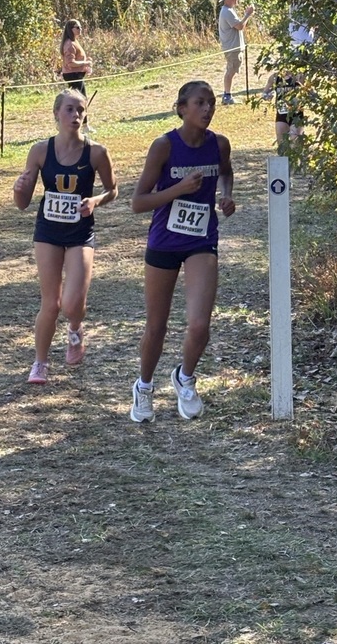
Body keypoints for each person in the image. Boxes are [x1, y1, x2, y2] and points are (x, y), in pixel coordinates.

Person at [129, 80, 237, 423]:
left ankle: (185, 378)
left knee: (199, 324)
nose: (207, 109)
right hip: (164, 242)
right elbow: (137, 202)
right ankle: (144, 387)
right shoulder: (164, 146)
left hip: (201, 240)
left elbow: (226, 173)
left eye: (212, 103)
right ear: (182, 108)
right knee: (156, 327)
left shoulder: (219, 144)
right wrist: (177, 189)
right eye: (200, 103)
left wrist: (226, 195)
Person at [13, 89, 118, 385]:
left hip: (80, 232)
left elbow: (113, 190)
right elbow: (22, 203)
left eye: (81, 111)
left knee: (72, 304)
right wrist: (19, 187)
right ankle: (40, 363)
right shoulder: (40, 151)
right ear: (57, 114)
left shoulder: (96, 152)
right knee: (51, 303)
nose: (76, 116)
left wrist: (95, 201)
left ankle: (75, 329)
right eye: (70, 110)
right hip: (47, 231)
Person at [217, 0, 254, 105]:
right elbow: (239, 26)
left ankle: (227, 95)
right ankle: (227, 96)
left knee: (231, 70)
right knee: (231, 71)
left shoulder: (229, 10)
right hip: (231, 47)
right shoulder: (227, 11)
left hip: (234, 46)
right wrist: (248, 14)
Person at [262, 69, 305, 144]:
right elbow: (264, 93)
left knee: (295, 142)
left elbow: (309, 90)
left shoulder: (299, 76)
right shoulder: (275, 77)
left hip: (296, 114)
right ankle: (283, 156)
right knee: (281, 143)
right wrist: (268, 96)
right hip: (281, 113)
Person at [60, 19, 93, 96]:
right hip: (73, 75)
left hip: (76, 74)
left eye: (81, 27)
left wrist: (85, 61)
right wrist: (85, 63)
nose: (80, 29)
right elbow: (71, 63)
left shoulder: (74, 41)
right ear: (71, 29)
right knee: (79, 99)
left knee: (81, 98)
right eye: (77, 27)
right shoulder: (70, 44)